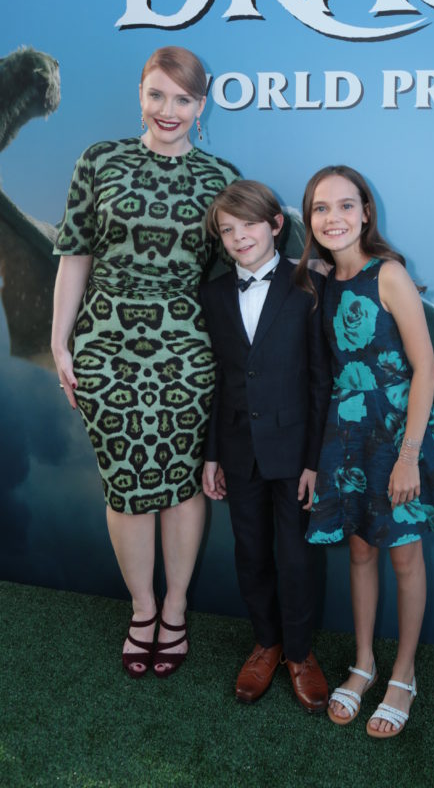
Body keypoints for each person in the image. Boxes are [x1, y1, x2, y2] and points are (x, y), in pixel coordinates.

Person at [51, 46, 240, 678]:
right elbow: (74, 253)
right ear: (140, 93)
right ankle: (141, 610)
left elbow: (240, 269)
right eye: (157, 94)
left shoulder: (220, 177)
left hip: (187, 349)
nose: (169, 110)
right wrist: (61, 341)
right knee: (126, 482)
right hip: (104, 344)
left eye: (183, 99)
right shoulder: (98, 161)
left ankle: (177, 610)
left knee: (183, 482)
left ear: (200, 105)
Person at [294, 165, 434, 738]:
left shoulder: (388, 275)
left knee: (405, 556)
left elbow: (426, 369)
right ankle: (362, 664)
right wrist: (318, 458)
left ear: (366, 212)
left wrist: (410, 455)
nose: (332, 217)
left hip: (397, 436)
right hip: (347, 433)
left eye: (345, 205)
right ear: (309, 218)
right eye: (320, 208)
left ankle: (403, 675)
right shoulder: (316, 280)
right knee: (359, 552)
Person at [199, 180, 331, 712]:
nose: (238, 237)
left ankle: (300, 652)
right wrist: (212, 453)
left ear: (276, 225)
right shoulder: (211, 294)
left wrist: (315, 462)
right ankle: (266, 644)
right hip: (237, 447)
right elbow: (220, 379)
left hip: (296, 451)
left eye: (248, 225)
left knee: (297, 556)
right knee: (250, 551)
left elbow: (322, 380)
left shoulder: (309, 286)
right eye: (227, 231)